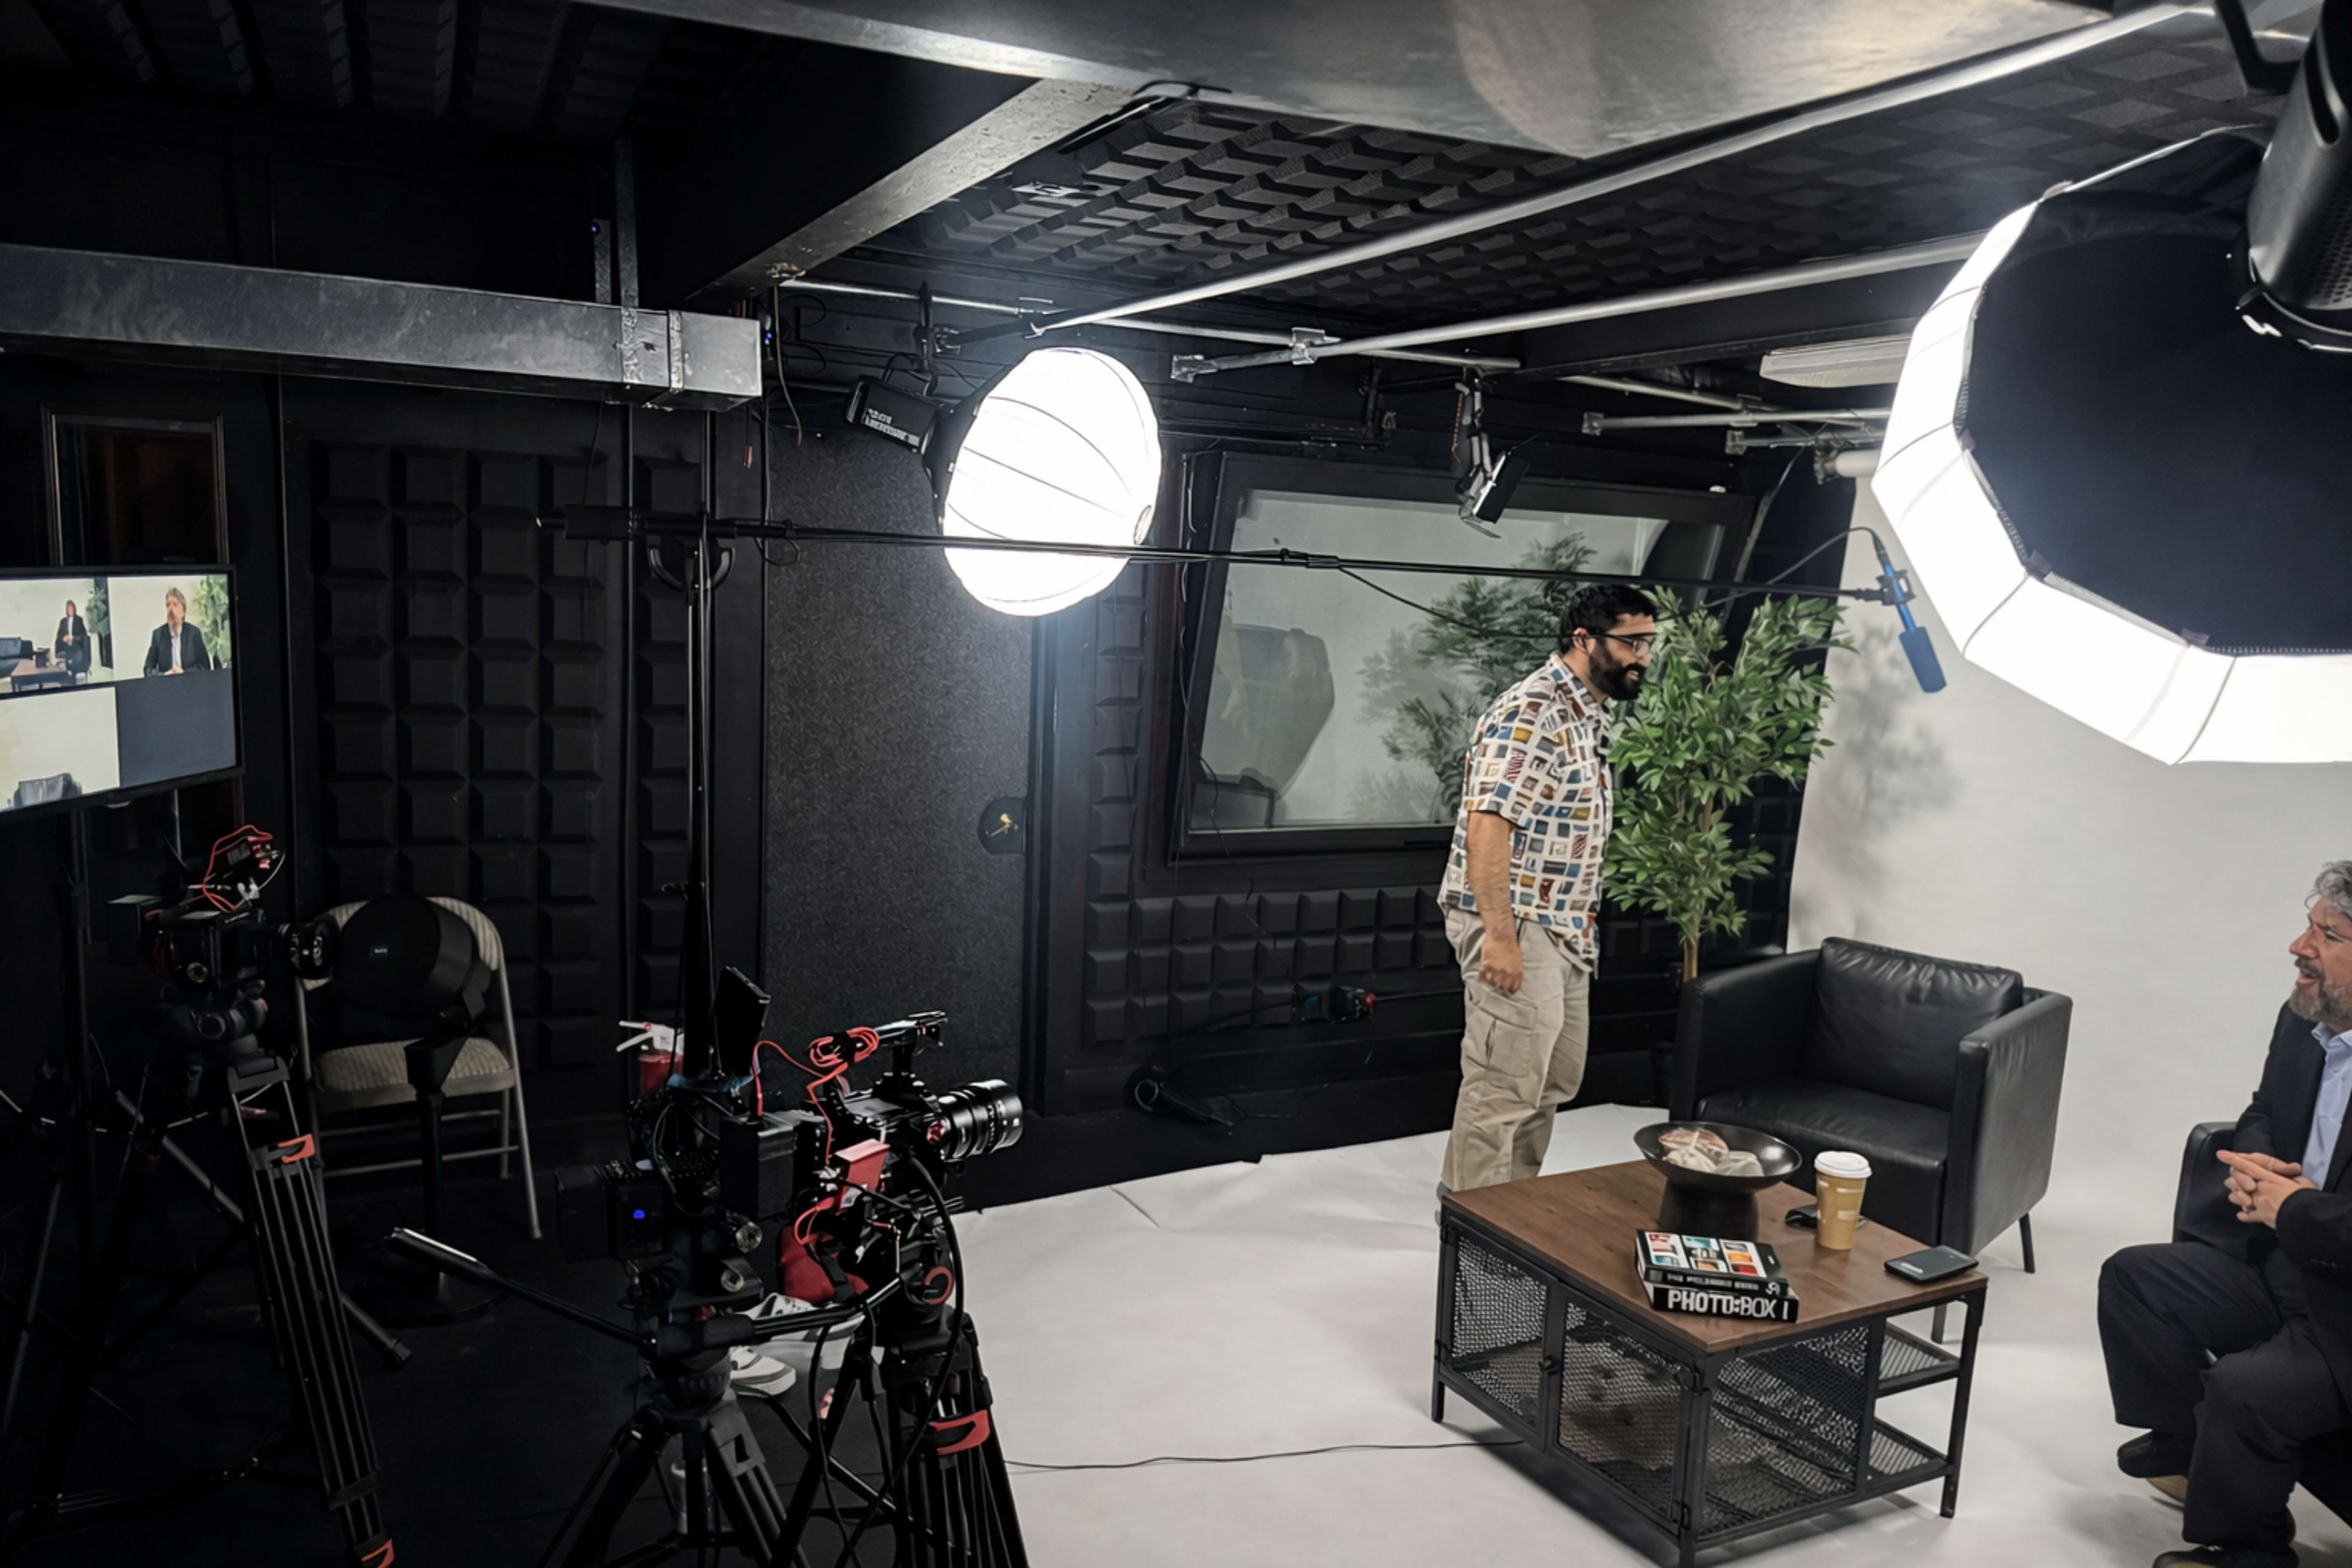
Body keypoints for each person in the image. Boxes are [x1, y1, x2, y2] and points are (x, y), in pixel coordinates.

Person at [2100, 863, 2352, 1568]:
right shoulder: (2304, 1017)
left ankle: (2252, 1550)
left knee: (2245, 1390)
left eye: (2328, 934)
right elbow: (2264, 1110)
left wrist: (2293, 1208)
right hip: (2281, 1268)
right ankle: (2189, 1446)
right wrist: (2255, 1165)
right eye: (2310, 923)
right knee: (2136, 1280)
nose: (2299, 945)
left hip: (2345, 1313)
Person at [1435, 582, 1656, 1194]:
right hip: (1518, 923)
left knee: (1552, 1081)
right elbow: (1488, 827)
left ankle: (1516, 1215)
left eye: (1649, 644)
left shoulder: (1589, 712)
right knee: (1503, 1086)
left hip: (1564, 930)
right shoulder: (1534, 712)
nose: (1644, 656)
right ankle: (1473, 1223)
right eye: (1633, 642)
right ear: (1584, 640)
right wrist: (1502, 940)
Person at [142, 587, 213, 676]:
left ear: (183, 611)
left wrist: (184, 674)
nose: (170, 609)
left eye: (175, 605)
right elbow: (148, 670)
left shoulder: (194, 633)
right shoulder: (158, 635)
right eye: (168, 605)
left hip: (191, 684)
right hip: (167, 686)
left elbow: (205, 667)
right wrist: (165, 675)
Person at [53, 600, 89, 676]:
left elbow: (83, 635)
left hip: (76, 645)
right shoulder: (63, 622)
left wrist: (74, 638)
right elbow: (59, 637)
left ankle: (72, 672)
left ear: (74, 609)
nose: (70, 610)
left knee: (74, 653)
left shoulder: (79, 620)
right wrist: (64, 639)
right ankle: (65, 673)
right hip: (65, 646)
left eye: (72, 608)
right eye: (69, 609)